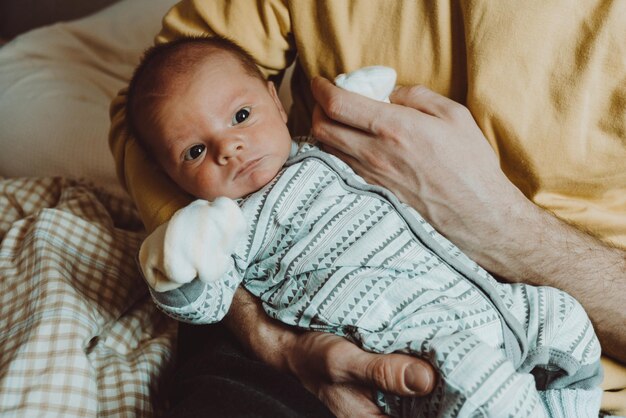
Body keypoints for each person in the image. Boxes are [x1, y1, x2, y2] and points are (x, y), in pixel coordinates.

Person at [108, 1, 626, 416]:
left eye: (242, 117)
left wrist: (503, 225)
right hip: (380, 342)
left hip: (537, 311)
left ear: (271, 97)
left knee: (562, 325)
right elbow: (151, 105)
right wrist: (268, 334)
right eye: (196, 152)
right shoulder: (231, 223)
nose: (229, 149)